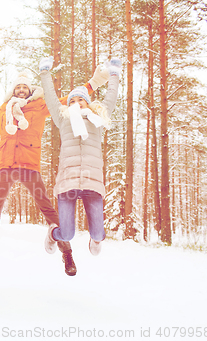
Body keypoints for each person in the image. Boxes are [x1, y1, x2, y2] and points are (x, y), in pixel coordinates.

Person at [0, 67, 109, 276]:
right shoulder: (3, 109)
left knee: (47, 208)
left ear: (30, 90)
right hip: (6, 166)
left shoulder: (40, 106)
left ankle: (66, 252)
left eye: (24, 87)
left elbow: (67, 100)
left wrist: (93, 83)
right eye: (18, 87)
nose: (21, 90)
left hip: (29, 166)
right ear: (13, 91)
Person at [39, 56, 121, 256]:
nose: (76, 103)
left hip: (92, 182)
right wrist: (45, 72)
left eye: (80, 100)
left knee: (98, 232)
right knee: (66, 234)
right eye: (72, 101)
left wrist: (114, 74)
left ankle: (96, 239)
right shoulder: (63, 119)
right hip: (68, 181)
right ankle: (53, 234)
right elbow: (50, 98)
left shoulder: (97, 118)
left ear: (88, 102)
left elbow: (111, 97)